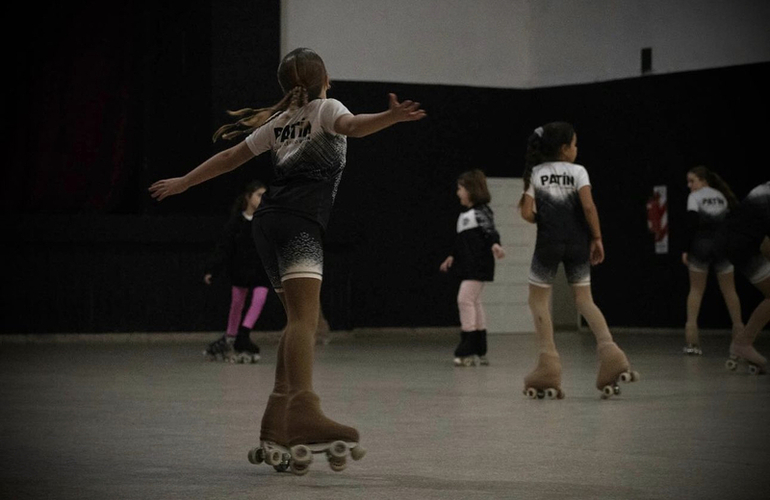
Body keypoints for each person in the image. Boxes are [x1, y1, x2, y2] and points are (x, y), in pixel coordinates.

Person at [149, 47, 426, 473]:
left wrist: (186, 182)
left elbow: (229, 158)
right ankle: (304, 410)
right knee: (306, 321)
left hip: (267, 224)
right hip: (299, 225)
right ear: (325, 78)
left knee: (296, 320)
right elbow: (353, 126)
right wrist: (390, 117)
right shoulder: (325, 108)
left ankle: (276, 425)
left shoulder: (280, 122)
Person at [518, 122, 638, 399]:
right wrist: (596, 238)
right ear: (564, 149)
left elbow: (526, 213)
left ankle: (548, 363)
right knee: (584, 300)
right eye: (575, 144)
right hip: (578, 243)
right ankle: (610, 352)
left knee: (537, 300)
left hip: (547, 244)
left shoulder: (537, 172)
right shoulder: (579, 171)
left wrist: (542, 219)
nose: (576, 149)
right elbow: (588, 206)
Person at [439, 169, 505, 366]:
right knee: (474, 302)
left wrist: (495, 244)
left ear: (471, 190)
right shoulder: (465, 215)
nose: (457, 193)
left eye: (460, 189)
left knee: (464, 299)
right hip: (469, 265)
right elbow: (461, 242)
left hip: (478, 265)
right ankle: (479, 346)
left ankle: (467, 344)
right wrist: (452, 256)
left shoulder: (481, 211)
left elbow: (490, 231)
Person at [202, 180, 270, 363]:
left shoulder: (265, 221)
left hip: (261, 271)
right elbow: (224, 248)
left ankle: (243, 333)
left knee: (260, 297)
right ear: (248, 197)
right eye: (259, 195)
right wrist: (212, 269)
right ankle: (231, 337)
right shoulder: (236, 222)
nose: (262, 199)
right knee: (237, 304)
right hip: (240, 269)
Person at [681, 166, 743, 355]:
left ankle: (692, 343)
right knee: (730, 292)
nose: (689, 185)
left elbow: (691, 223)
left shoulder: (694, 197)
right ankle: (741, 341)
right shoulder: (721, 196)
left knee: (696, 291)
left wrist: (685, 249)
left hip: (701, 245)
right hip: (722, 246)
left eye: (692, 181)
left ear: (703, 181)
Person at [719, 181, 770, 374]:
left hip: (741, 240)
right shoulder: (765, 194)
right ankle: (743, 342)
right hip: (742, 244)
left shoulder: (764, 191)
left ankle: (743, 342)